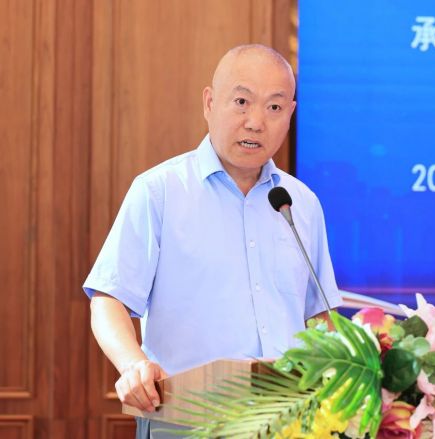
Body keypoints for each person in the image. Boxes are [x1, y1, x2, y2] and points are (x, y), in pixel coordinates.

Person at [83, 44, 342, 437]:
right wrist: (133, 365)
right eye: (241, 102)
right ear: (209, 102)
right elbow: (108, 298)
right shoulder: (160, 191)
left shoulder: (299, 203)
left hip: (290, 420)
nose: (256, 122)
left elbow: (319, 315)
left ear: (290, 114)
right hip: (186, 417)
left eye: (274, 107)